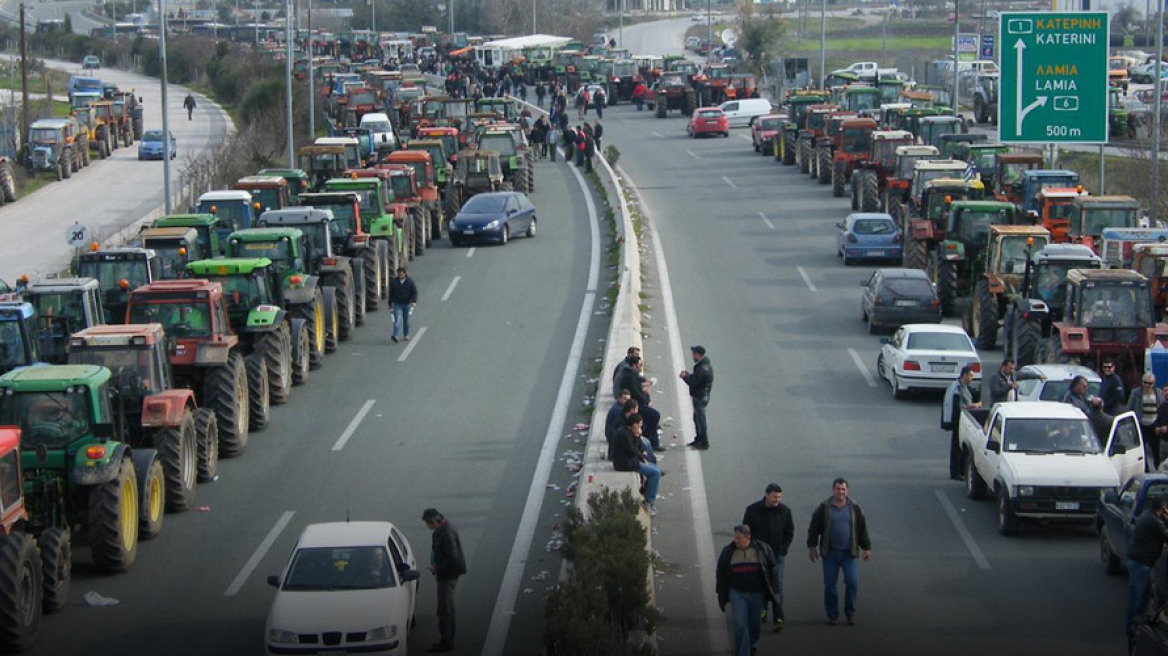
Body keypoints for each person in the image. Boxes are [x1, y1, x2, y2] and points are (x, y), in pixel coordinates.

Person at [807, 478, 871, 627]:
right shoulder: (824, 508)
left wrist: (866, 548)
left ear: (847, 491)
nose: (840, 492)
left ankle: (850, 613)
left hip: (850, 553)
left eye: (843, 489)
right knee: (830, 585)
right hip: (830, 554)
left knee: (852, 582)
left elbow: (862, 529)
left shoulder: (855, 508)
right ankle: (832, 614)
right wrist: (812, 547)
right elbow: (814, 529)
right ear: (833, 490)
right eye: (838, 489)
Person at [716, 524, 780, 656]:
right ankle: (743, 652)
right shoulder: (728, 552)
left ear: (747, 537)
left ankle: (751, 643)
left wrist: (775, 589)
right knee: (740, 624)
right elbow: (721, 574)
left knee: (754, 624)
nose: (735, 540)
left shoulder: (762, 549)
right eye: (734, 537)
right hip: (737, 593)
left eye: (738, 537)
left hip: (757, 593)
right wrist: (721, 594)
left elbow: (772, 569)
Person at [741, 484, 794, 633]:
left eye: (779, 497)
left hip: (777, 556)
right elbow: (746, 532)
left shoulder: (785, 511)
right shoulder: (752, 510)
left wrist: (784, 549)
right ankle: (762, 609)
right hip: (758, 555)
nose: (777, 500)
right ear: (766, 495)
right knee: (760, 584)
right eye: (774, 497)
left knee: (777, 586)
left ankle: (778, 618)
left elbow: (789, 531)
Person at [422, 508, 467, 653]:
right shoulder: (440, 531)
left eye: (428, 524)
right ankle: (446, 639)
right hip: (445, 573)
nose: (427, 527)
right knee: (447, 607)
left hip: (448, 575)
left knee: (445, 608)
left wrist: (438, 568)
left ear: (435, 522)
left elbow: (453, 559)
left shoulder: (446, 534)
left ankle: (447, 641)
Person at [1127, 495, 1168, 636]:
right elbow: (1165, 535)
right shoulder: (1155, 522)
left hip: (1138, 560)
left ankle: (1137, 625)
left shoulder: (1147, 515)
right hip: (1141, 563)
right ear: (1162, 509)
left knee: (1143, 596)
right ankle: (1132, 628)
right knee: (1137, 597)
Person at [611, 413, 661, 516]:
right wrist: (642, 457)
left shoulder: (630, 432)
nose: (641, 427)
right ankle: (648, 501)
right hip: (625, 463)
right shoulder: (624, 434)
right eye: (640, 424)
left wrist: (638, 438)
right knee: (655, 473)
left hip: (631, 460)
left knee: (656, 469)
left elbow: (639, 447)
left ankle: (647, 492)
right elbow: (632, 450)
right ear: (634, 425)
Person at [942, 365, 981, 480]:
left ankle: (960, 471)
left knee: (960, 447)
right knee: (956, 447)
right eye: (970, 375)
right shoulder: (957, 389)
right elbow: (962, 406)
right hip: (958, 422)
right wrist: (976, 405)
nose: (972, 378)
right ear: (964, 375)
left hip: (962, 421)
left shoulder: (963, 387)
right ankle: (955, 473)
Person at [681, 345, 714, 449]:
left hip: (700, 397)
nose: (692, 356)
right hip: (702, 395)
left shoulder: (701, 368)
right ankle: (698, 439)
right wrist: (689, 375)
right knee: (697, 419)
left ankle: (704, 442)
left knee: (700, 420)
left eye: (693, 354)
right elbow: (697, 379)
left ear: (698, 355)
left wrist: (684, 377)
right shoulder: (705, 366)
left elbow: (693, 382)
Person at [389, 267, 418, 343]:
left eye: (401, 274)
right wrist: (390, 304)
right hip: (397, 304)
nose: (400, 275)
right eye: (399, 274)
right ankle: (395, 335)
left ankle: (406, 335)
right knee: (397, 320)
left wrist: (414, 301)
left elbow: (414, 293)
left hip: (407, 304)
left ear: (404, 274)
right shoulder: (394, 282)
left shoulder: (410, 282)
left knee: (406, 320)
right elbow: (391, 294)